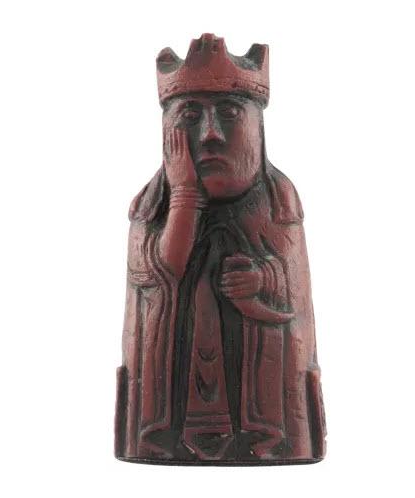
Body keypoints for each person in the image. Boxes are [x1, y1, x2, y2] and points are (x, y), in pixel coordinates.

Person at [115, 34, 326, 464]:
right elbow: (160, 274)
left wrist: (263, 279)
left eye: (229, 114)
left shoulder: (278, 201)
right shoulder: (150, 206)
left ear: (258, 128)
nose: (210, 134)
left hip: (265, 406)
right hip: (169, 403)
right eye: (190, 116)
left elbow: (295, 299)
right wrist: (184, 197)